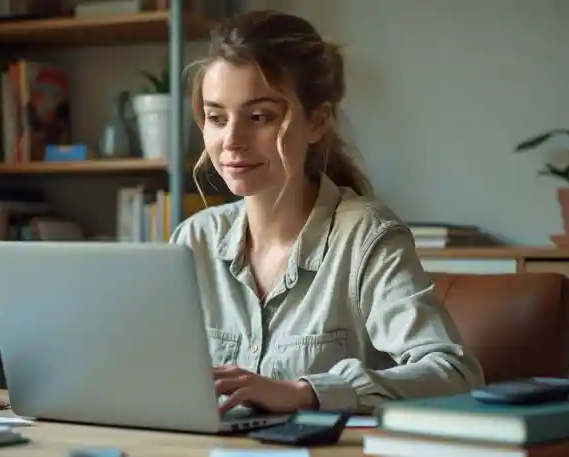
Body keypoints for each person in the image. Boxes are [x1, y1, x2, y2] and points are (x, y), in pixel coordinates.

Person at [169, 10, 485, 415]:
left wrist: (306, 392)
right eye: (216, 118)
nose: (231, 140)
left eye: (260, 116)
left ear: (317, 122)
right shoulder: (192, 240)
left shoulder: (365, 236)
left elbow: (456, 373)